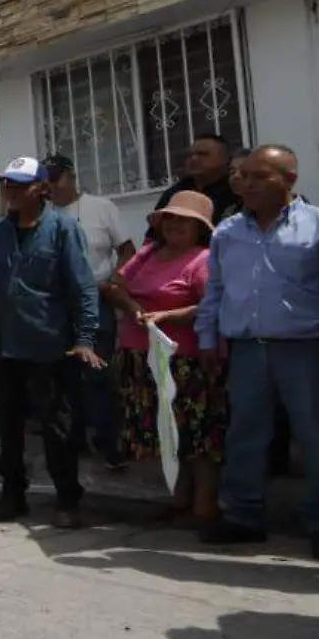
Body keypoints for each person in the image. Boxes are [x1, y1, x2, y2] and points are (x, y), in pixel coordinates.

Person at [196, 146, 319, 559]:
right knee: (245, 435)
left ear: (290, 180)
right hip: (247, 350)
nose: (246, 184)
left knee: (318, 437)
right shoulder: (227, 232)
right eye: (242, 175)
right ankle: (244, 517)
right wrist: (208, 338)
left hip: (306, 350)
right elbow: (216, 290)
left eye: (259, 176)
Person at [0, 157, 104, 528]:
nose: (9, 191)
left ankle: (67, 499)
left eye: (18, 184)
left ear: (41, 188)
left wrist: (85, 338)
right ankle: (12, 495)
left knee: (57, 427)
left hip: (51, 346)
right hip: (6, 347)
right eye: (6, 185)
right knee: (9, 426)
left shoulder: (63, 228)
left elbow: (83, 288)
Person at [103, 191, 225, 524]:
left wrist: (167, 317)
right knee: (166, 432)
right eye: (170, 218)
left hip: (184, 360)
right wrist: (134, 309)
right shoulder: (148, 253)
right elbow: (114, 287)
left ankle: (204, 505)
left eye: (185, 220)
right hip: (140, 358)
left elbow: (210, 306)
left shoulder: (204, 260)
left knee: (197, 433)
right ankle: (179, 499)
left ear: (200, 228)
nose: (175, 225)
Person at [45, 153, 134, 471]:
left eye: (56, 178)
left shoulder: (101, 207)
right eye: (46, 180)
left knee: (99, 374)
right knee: (64, 377)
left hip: (96, 300)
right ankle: (75, 439)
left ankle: (109, 443)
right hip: (57, 304)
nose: (51, 185)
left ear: (71, 176)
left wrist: (113, 282)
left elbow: (126, 250)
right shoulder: (43, 214)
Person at [145, 135, 241, 242]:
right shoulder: (175, 193)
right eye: (189, 155)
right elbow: (153, 235)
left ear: (225, 159)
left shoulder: (236, 190)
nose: (193, 159)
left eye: (203, 154)